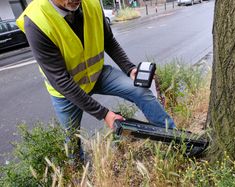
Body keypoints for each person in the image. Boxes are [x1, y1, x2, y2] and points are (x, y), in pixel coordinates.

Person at [16, 0, 176, 163]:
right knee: (72, 140)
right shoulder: (35, 21)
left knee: (140, 91)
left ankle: (177, 140)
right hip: (66, 91)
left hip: (97, 74)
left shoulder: (92, 3)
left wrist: (130, 69)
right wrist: (104, 114)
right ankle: (76, 171)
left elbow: (109, 41)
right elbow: (61, 80)